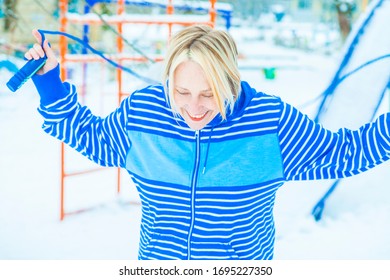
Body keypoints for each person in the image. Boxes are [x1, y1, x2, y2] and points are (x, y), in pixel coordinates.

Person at [26, 25, 390, 260]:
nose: (194, 108)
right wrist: (49, 83)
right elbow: (89, 135)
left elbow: (346, 152)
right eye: (182, 91)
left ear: (231, 80)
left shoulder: (269, 123)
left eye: (210, 93)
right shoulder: (144, 114)